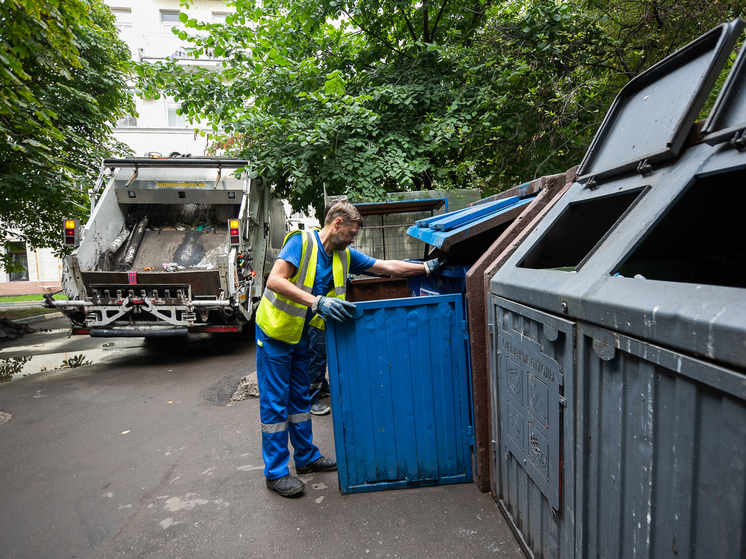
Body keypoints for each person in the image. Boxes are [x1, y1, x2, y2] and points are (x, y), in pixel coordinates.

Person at [255, 201, 446, 497]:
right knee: (276, 405)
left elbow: (385, 266)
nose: (353, 239)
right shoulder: (301, 243)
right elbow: (275, 280)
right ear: (337, 223)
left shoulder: (343, 256)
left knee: (300, 401)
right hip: (275, 333)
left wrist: (425, 267)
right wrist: (317, 302)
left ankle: (306, 458)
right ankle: (276, 473)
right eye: (352, 233)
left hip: (301, 336)